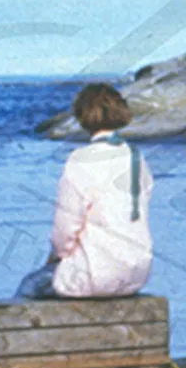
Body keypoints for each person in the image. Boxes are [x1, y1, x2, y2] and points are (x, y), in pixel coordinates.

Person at [15, 83, 154, 299]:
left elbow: (65, 229)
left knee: (29, 286)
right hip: (136, 274)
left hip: (94, 274)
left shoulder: (81, 160)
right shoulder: (136, 157)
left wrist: (56, 256)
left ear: (82, 117)